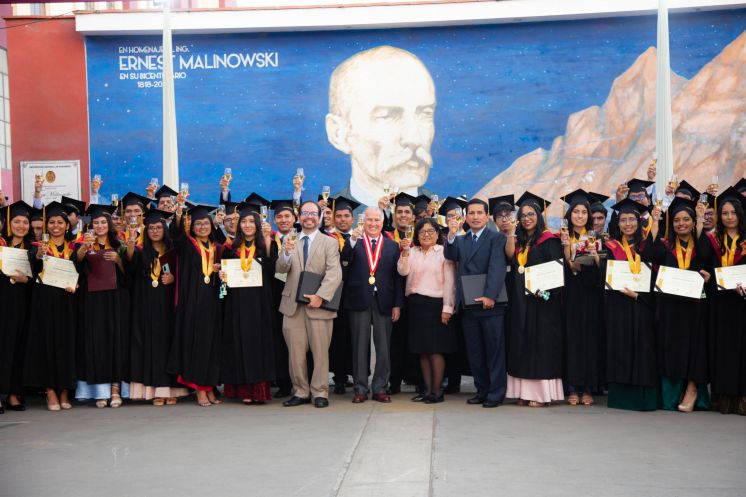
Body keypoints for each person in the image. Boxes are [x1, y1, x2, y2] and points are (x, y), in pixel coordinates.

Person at [326, 45, 436, 208]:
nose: (414, 138)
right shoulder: (326, 220)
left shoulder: (447, 219)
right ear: (339, 133)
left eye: (425, 114)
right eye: (387, 116)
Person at [275, 200, 342, 408]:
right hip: (292, 307)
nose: (309, 217)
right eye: (305, 213)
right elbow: (280, 269)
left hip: (318, 306)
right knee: (295, 353)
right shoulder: (290, 240)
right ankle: (300, 391)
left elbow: (334, 272)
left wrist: (321, 296)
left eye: (313, 213)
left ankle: (320, 392)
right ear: (298, 216)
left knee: (321, 352)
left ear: (319, 217)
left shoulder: (329, 242)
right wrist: (286, 253)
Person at [444, 198, 507, 408]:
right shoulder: (460, 240)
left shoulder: (495, 237)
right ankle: (482, 390)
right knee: (475, 351)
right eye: (471, 213)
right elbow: (450, 254)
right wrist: (451, 234)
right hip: (468, 305)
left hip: (490, 304)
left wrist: (490, 295)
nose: (475, 217)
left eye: (480, 213)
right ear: (465, 216)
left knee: (494, 351)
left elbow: (497, 267)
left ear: (486, 216)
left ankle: (496, 393)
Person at [504, 192, 565, 407]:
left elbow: (557, 273)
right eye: (523, 215)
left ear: (539, 216)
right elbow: (511, 258)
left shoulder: (549, 240)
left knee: (540, 346)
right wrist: (511, 232)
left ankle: (540, 395)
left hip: (542, 302)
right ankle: (523, 392)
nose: (527, 218)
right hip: (520, 302)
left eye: (531, 214)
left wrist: (545, 293)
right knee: (521, 344)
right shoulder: (520, 240)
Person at [602, 198, 661, 411]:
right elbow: (606, 276)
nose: (627, 224)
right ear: (617, 224)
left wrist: (637, 295)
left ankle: (642, 399)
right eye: (623, 220)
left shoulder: (647, 244)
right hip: (618, 304)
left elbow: (654, 275)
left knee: (642, 347)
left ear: (639, 221)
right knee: (620, 346)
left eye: (631, 219)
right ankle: (620, 398)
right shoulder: (611, 247)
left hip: (641, 302)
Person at [653, 197, 710, 412]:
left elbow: (710, 266)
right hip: (671, 307)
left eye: (686, 219)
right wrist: (656, 221)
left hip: (695, 306)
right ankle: (671, 394)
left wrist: (708, 278)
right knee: (672, 347)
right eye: (676, 220)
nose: (681, 224)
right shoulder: (666, 246)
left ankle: (693, 389)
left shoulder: (703, 245)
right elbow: (650, 253)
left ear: (694, 222)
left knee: (695, 347)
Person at [126, 208, 188, 406]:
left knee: (168, 345)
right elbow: (129, 270)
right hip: (145, 305)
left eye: (158, 227)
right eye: (151, 228)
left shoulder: (172, 252)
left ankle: (170, 390)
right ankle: (154, 391)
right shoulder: (140, 251)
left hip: (167, 305)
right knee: (148, 346)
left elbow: (183, 273)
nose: (154, 231)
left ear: (165, 229)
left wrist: (173, 277)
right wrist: (129, 246)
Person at [342, 206, 403, 403]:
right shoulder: (354, 242)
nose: (373, 224)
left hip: (384, 301)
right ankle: (360, 388)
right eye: (369, 220)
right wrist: (350, 242)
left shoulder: (392, 246)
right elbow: (344, 261)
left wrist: (397, 305)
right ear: (363, 221)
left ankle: (380, 387)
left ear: (382, 222)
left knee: (384, 347)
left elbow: (397, 279)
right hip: (359, 299)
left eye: (377, 220)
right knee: (359, 346)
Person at [220, 204, 278, 405]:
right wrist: (222, 275)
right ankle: (243, 389)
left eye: (251, 222)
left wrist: (269, 242)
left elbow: (273, 270)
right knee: (239, 342)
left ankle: (259, 390)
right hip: (237, 302)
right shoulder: (231, 248)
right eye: (243, 222)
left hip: (260, 302)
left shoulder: (265, 245)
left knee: (257, 342)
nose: (247, 225)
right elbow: (224, 278)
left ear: (257, 224)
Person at [167, 202, 224, 407]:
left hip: (212, 303)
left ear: (211, 225)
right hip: (191, 303)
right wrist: (179, 213)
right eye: (198, 224)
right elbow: (175, 233)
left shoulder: (217, 248)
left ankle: (208, 387)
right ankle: (199, 388)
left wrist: (220, 270)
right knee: (197, 344)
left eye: (205, 223)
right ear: (192, 227)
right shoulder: (187, 244)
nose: (202, 227)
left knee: (211, 345)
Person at [74, 204, 131, 408]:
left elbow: (128, 274)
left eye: (103, 222)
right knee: (96, 341)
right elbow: (77, 265)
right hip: (92, 299)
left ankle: (115, 389)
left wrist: (118, 260)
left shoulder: (120, 244)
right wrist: (82, 249)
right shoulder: (83, 244)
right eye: (96, 222)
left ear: (109, 225)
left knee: (116, 341)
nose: (99, 225)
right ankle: (100, 391)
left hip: (116, 299)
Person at [23, 202, 78, 411]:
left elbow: (81, 270)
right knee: (46, 344)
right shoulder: (38, 248)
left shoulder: (75, 248)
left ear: (67, 225)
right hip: (44, 301)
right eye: (52, 222)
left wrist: (77, 283)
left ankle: (64, 390)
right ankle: (50, 391)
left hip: (67, 301)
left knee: (66, 344)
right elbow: (31, 268)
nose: (56, 226)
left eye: (60, 222)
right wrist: (38, 256)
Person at [398, 217, 456, 403]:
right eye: (422, 232)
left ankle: (437, 392)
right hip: (416, 306)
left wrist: (448, 307)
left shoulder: (443, 252)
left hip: (436, 305)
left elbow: (450, 282)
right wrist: (405, 253)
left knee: (435, 350)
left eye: (431, 231)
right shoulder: (412, 251)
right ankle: (427, 390)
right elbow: (402, 271)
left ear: (438, 234)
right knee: (422, 350)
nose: (426, 235)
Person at [558, 189, 604, 406]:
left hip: (590, 296)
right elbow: (562, 268)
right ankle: (572, 388)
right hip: (570, 297)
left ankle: (588, 388)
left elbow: (601, 271)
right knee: (571, 341)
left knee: (589, 341)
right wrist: (567, 252)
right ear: (570, 215)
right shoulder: (562, 237)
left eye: (583, 212)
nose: (579, 216)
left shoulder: (597, 238)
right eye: (575, 212)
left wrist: (595, 257)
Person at [703, 187, 746, 415]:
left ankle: (741, 397)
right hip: (719, 302)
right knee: (722, 348)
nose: (729, 217)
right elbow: (707, 267)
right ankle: (722, 396)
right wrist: (708, 277)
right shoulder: (713, 240)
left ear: (740, 214)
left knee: (742, 349)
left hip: (741, 302)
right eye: (725, 213)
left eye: (733, 213)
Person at [0, 201, 34, 413]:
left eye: (25, 222)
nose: (21, 225)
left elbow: (39, 277)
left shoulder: (34, 248)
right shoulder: (1, 245)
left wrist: (26, 281)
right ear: (9, 224)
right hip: (2, 302)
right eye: (17, 221)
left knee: (18, 348)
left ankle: (13, 393)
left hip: (22, 305)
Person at [384, 192, 420, 394]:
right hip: (393, 295)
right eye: (400, 212)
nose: (403, 215)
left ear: (414, 216)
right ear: (394, 215)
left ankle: (417, 378)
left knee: (416, 338)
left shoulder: (422, 235)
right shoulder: (388, 237)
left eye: (407, 212)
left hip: (416, 294)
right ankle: (394, 381)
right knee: (395, 341)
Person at [326, 196, 361, 395]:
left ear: (352, 218)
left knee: (357, 337)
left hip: (357, 294)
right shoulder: (329, 239)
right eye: (338, 216)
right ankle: (339, 377)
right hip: (336, 295)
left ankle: (358, 376)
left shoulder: (362, 237)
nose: (342, 219)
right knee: (338, 339)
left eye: (346, 216)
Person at [268, 198, 298, 398]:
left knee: (299, 341)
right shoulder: (268, 241)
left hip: (296, 294)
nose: (283, 220)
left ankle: (302, 381)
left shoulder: (302, 239)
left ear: (294, 218)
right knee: (279, 340)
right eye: (279, 216)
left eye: (287, 216)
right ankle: (283, 383)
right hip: (273, 295)